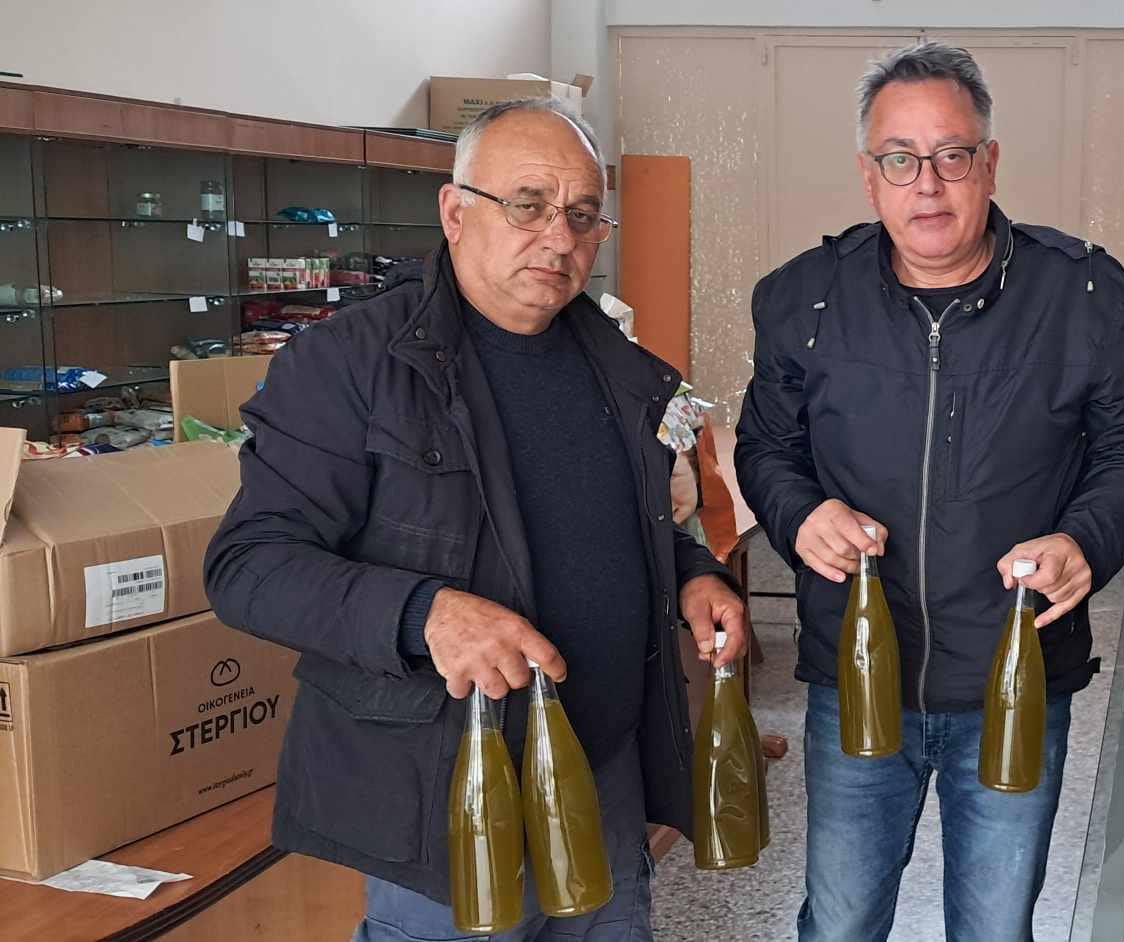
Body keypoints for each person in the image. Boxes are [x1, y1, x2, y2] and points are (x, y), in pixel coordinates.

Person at [204, 98, 750, 941]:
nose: (559, 238)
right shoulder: (349, 363)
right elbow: (249, 566)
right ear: (455, 212)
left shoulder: (622, 370)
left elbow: (619, 525)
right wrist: (425, 615)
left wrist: (692, 575)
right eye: (528, 205)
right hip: (446, 787)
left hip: (603, 767)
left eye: (582, 215)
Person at [735, 40, 1124, 941]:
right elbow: (767, 447)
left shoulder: (1083, 295)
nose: (927, 185)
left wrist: (1085, 542)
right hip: (858, 675)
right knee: (841, 922)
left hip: (1016, 673)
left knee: (995, 927)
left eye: (952, 155)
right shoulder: (804, 299)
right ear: (869, 176)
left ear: (990, 162)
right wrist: (802, 513)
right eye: (900, 159)